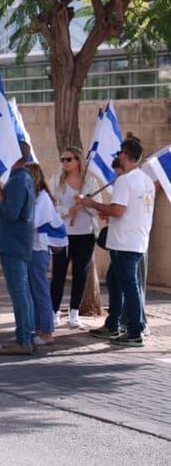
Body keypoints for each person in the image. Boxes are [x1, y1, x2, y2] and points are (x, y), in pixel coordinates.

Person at [82, 135, 156, 347]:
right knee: (115, 281)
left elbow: (118, 209)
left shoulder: (125, 180)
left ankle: (134, 330)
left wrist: (94, 204)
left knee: (129, 285)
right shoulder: (146, 180)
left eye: (119, 154)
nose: (118, 157)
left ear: (125, 155)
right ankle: (113, 324)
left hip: (124, 242)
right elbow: (126, 210)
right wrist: (109, 212)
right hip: (135, 240)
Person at [48, 144, 104, 328]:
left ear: (78, 161)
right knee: (58, 275)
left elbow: (98, 207)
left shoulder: (91, 182)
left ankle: (74, 313)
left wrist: (86, 203)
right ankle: (54, 312)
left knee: (80, 274)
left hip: (85, 235)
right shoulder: (56, 181)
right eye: (62, 159)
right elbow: (48, 208)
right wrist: (67, 210)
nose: (65, 162)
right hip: (62, 235)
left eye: (69, 159)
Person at [0, 141, 36, 356]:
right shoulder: (21, 178)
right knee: (22, 292)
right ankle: (26, 335)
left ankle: (24, 339)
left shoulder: (19, 180)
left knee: (19, 292)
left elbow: (12, 212)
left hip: (14, 243)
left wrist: (0, 196)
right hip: (17, 242)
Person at [27, 163, 61, 346]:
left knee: (40, 290)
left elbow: (32, 221)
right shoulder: (37, 197)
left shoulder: (43, 199)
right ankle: (38, 327)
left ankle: (47, 331)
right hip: (33, 248)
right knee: (34, 290)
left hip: (39, 249)